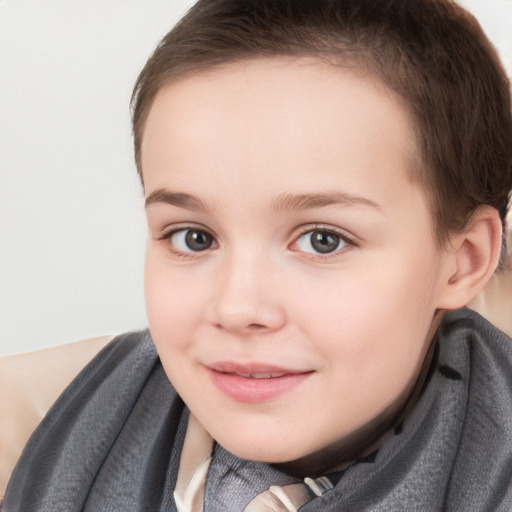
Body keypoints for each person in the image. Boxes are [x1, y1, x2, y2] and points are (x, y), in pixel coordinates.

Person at [3, 0, 512, 510]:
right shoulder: (32, 434)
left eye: (322, 240)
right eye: (193, 237)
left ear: (464, 259)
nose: (237, 308)